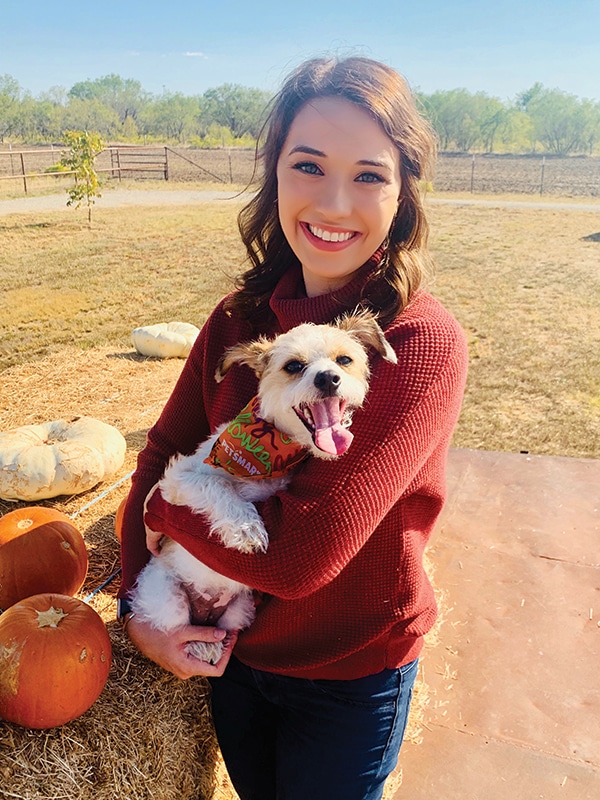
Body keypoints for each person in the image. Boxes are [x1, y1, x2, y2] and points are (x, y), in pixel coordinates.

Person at [118, 55, 468, 800]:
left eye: (369, 174)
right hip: (239, 655)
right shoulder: (241, 320)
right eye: (308, 165)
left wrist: (163, 508)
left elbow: (298, 559)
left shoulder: (416, 342)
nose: (335, 202)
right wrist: (137, 612)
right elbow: (160, 448)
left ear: (404, 192)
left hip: (350, 673)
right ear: (274, 173)